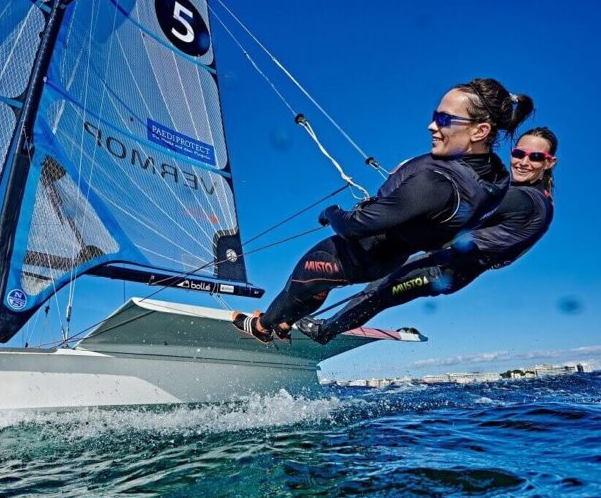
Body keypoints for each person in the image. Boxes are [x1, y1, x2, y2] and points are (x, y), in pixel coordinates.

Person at [232, 78, 534, 343]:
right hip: (386, 260)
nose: (431, 126)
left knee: (302, 282)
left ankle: (263, 326)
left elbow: (355, 226)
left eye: (444, 119)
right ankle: (285, 323)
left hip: (354, 250)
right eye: (434, 116)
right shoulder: (497, 179)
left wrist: (331, 211)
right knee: (319, 285)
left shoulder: (436, 185)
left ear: (480, 131)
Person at [297, 127, 558, 344]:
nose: (523, 162)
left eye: (535, 157)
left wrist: (411, 185)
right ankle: (315, 318)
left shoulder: (524, 199)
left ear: (549, 162)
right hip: (446, 263)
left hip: (445, 270)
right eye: (518, 153)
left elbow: (456, 203)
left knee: (379, 291)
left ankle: (323, 331)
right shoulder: (538, 200)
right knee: (377, 282)